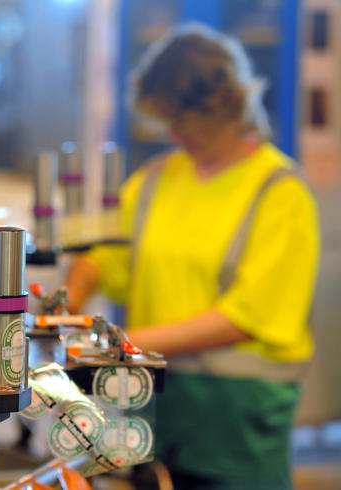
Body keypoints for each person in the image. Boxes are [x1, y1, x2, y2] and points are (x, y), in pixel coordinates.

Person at [66, 23, 319, 490]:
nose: (177, 135)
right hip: (158, 403)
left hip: (237, 417)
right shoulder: (157, 179)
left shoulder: (279, 193)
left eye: (186, 122)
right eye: (169, 122)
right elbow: (110, 258)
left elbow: (248, 316)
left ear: (227, 109)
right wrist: (73, 295)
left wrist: (124, 342)